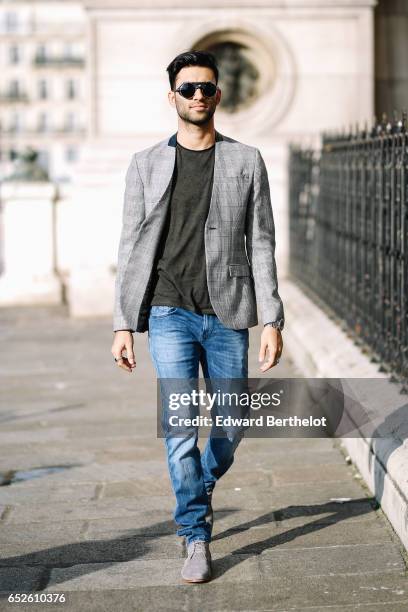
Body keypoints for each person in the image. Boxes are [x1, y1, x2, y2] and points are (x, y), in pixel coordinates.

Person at [111, 50, 284, 583]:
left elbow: (262, 243)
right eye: (187, 89)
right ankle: (194, 532)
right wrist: (122, 323)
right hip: (169, 311)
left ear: (218, 94)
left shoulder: (247, 160)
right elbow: (131, 244)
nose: (198, 96)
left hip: (229, 312)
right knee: (181, 427)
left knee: (231, 424)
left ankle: (201, 483)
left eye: (206, 87)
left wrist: (272, 318)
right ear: (172, 97)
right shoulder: (145, 163)